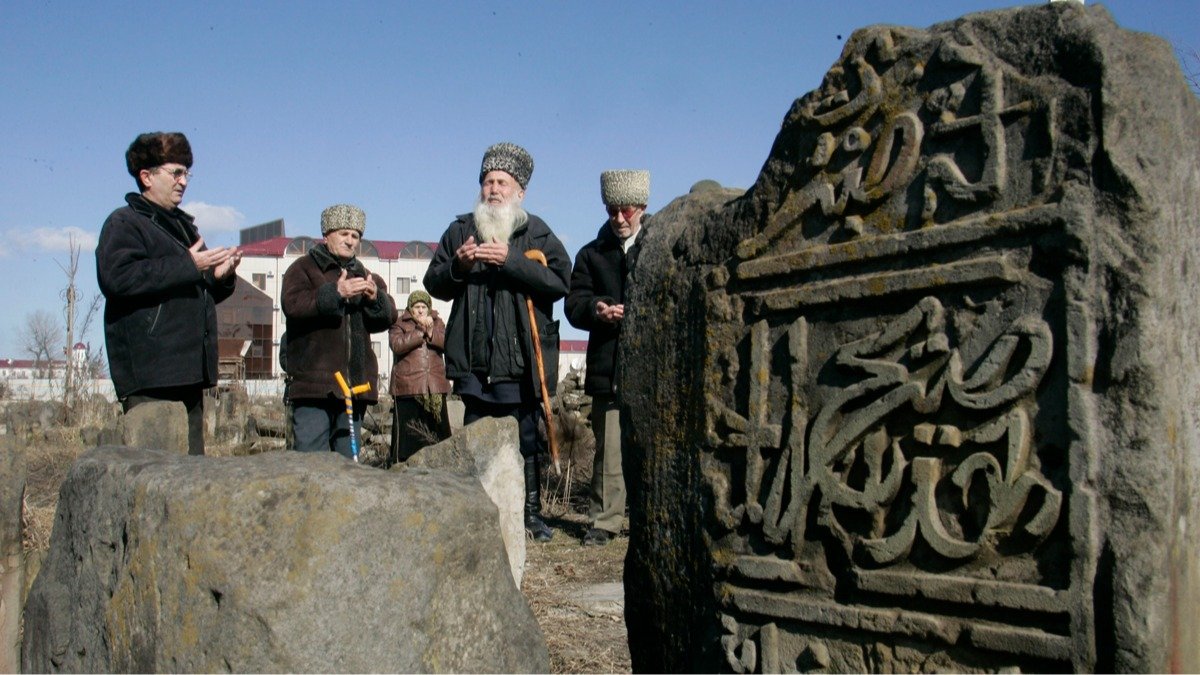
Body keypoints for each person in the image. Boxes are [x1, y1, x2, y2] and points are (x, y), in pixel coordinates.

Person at [424, 142, 571, 542]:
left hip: (520, 360)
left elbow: (560, 282)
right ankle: (480, 513)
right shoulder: (460, 231)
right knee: (475, 442)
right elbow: (433, 282)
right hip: (475, 363)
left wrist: (511, 261)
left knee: (525, 440)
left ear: (519, 191)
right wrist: (458, 265)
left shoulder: (537, 232)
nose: (493, 189)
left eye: (502, 183)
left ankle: (530, 516)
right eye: (488, 182)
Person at [96, 131, 242, 455]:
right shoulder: (125, 223)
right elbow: (117, 278)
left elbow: (193, 292)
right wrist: (188, 264)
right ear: (146, 176)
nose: (183, 181)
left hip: (189, 372)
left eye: (186, 173)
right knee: (151, 470)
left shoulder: (185, 228)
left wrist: (219, 278)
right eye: (175, 172)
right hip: (151, 374)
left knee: (190, 471)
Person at [565, 169, 650, 546]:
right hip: (608, 366)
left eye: (625, 210)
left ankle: (651, 519)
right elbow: (574, 304)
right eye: (611, 210)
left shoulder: (662, 246)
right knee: (610, 452)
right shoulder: (590, 254)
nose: (618, 218)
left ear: (642, 207)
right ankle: (604, 521)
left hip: (653, 368)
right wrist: (597, 309)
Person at [281, 204, 396, 458]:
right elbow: (292, 304)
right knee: (312, 462)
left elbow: (387, 318)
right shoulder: (303, 268)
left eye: (355, 235)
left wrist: (375, 298)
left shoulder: (366, 275)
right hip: (314, 387)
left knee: (348, 465)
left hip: (353, 387)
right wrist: (335, 293)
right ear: (326, 235)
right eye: (344, 233)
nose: (350, 240)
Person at [387, 290, 451, 464]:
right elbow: (397, 344)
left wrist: (431, 333)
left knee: (437, 438)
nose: (421, 310)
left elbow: (448, 343)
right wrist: (420, 331)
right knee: (408, 439)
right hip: (408, 388)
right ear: (410, 309)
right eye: (417, 307)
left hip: (434, 387)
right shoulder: (399, 324)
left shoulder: (438, 322)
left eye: (423, 307)